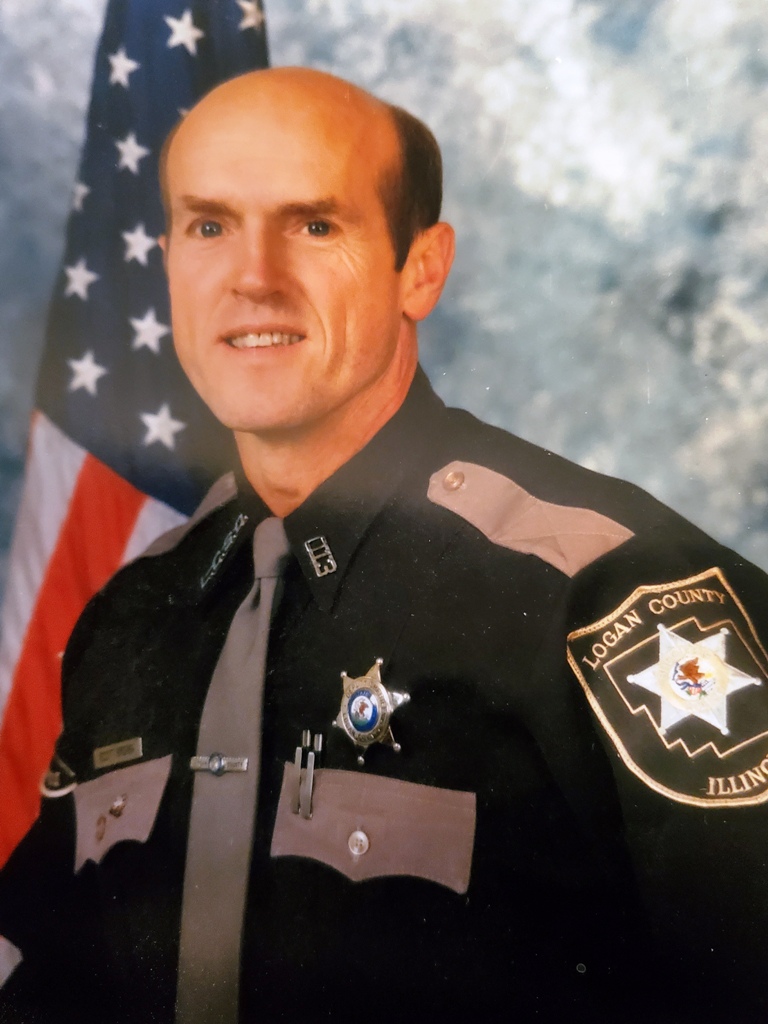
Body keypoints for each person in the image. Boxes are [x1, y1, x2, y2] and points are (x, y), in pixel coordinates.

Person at [2, 66, 768, 1023]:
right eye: (209, 227)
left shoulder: (606, 594)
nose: (253, 277)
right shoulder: (133, 617)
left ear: (422, 269)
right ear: (167, 262)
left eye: (315, 225)